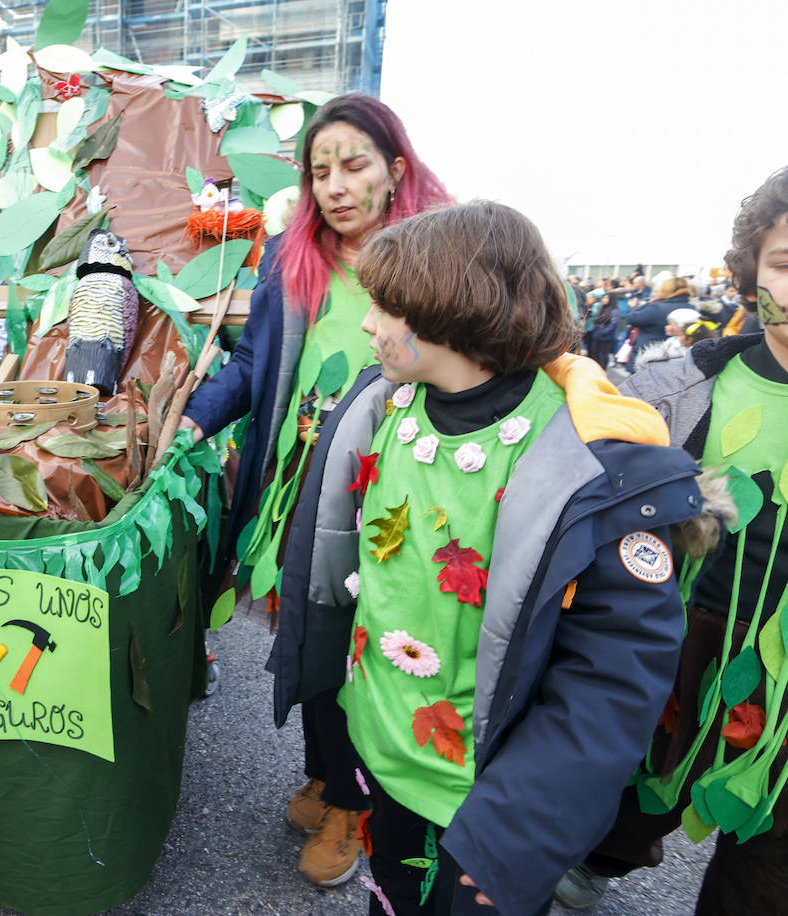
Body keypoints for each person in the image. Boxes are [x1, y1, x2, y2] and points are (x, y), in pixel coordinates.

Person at [269, 201, 701, 914]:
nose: (367, 323)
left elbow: (612, 677)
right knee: (395, 896)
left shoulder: (585, 463)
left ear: (450, 307)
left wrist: (516, 835)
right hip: (384, 766)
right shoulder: (388, 407)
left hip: (485, 811)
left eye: (384, 305)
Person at [180, 93, 451, 886]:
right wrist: (195, 421)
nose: (335, 186)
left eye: (355, 165)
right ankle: (329, 773)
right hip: (300, 483)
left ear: (396, 169)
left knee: (362, 648)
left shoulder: (437, 262)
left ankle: (351, 802)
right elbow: (251, 367)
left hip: (391, 495)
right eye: (320, 170)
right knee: (307, 634)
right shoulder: (291, 261)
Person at [555, 166, 788, 915]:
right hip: (687, 633)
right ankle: (596, 858)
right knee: (641, 779)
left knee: (768, 852)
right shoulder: (686, 383)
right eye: (786, 264)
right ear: (751, 271)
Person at [627, 276, 695, 366]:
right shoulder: (693, 308)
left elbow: (632, 318)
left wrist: (647, 304)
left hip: (651, 355)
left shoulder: (657, 308)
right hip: (680, 357)